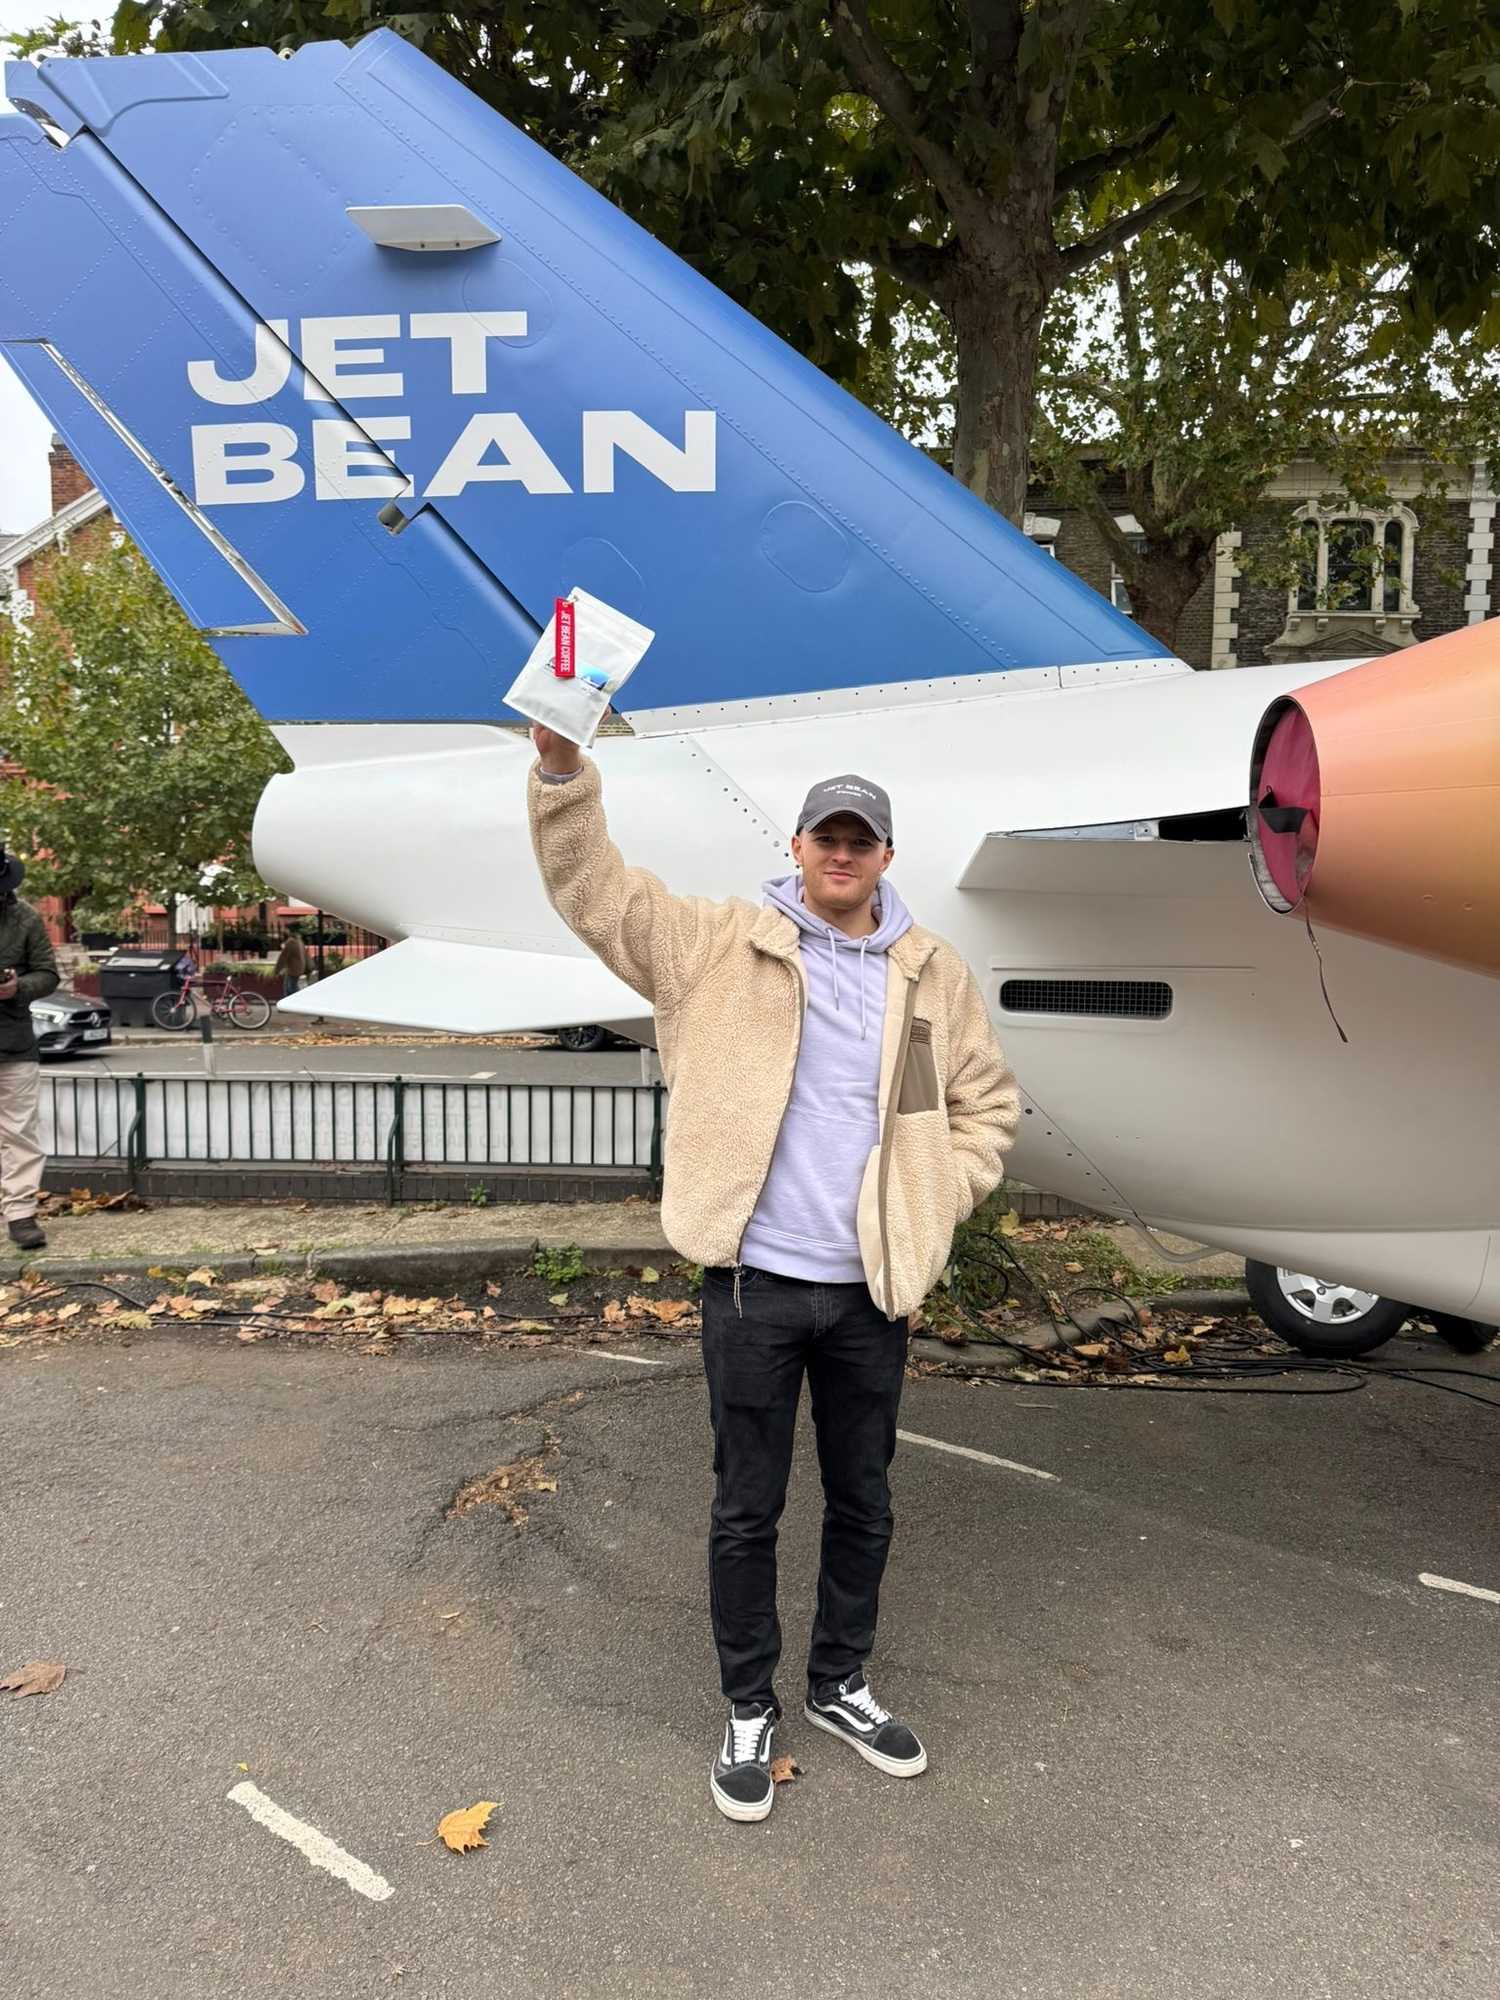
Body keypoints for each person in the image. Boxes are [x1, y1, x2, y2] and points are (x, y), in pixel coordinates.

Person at [528, 727, 1018, 1823]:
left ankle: (841, 1682)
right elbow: (596, 893)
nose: (841, 852)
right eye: (826, 834)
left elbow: (985, 1103)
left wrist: (935, 1196)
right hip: (753, 1286)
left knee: (866, 1500)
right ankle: (748, 1703)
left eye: (862, 838)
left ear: (886, 854)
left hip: (868, 1292)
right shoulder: (716, 944)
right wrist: (563, 775)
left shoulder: (931, 973)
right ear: (797, 843)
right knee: (748, 1506)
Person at [0, 845, 60, 1251]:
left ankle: (20, 1213)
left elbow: (48, 973)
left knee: (19, 1131)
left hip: (12, 1041)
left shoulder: (25, 918)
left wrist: (16, 987)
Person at [273, 926, 307, 1000]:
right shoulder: (299, 940)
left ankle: (299, 1001)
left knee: (291, 988)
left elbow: (283, 957)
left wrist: (276, 970)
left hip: (293, 970)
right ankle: (289, 1002)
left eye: (286, 929)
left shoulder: (291, 942)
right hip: (297, 968)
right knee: (288, 987)